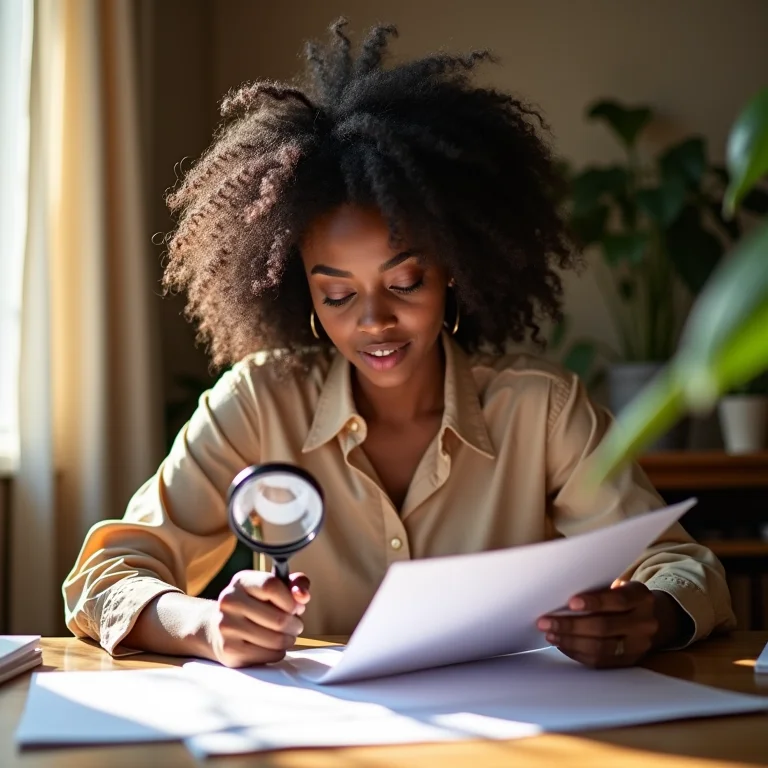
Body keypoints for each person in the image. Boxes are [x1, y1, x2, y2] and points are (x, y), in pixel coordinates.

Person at [63, 19, 735, 670]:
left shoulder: (541, 411)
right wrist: (209, 625)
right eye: (337, 294)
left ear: (452, 271)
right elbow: (106, 575)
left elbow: (681, 565)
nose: (375, 321)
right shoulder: (258, 404)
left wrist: (651, 615)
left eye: (405, 282)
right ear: (302, 295)